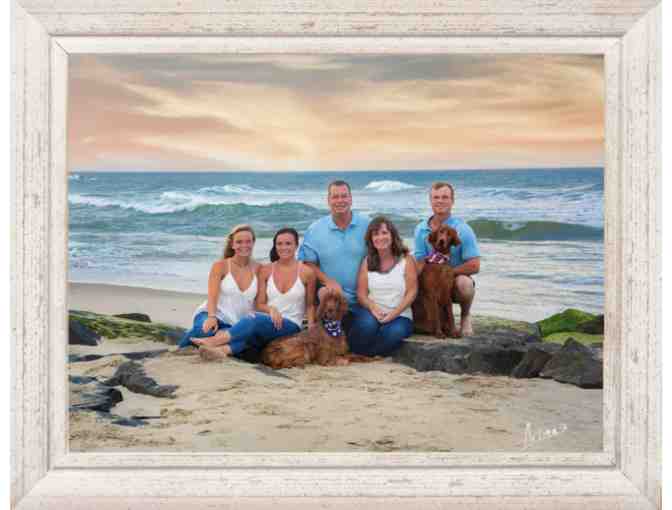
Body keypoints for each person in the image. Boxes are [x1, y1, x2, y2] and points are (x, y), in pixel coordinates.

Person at [197, 227, 317, 360]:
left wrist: (311, 329)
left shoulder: (307, 272)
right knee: (250, 334)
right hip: (267, 321)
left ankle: (214, 341)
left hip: (291, 323)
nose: (284, 247)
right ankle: (222, 350)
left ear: (296, 245)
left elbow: (310, 305)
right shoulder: (266, 270)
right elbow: (259, 304)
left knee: (253, 319)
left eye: (288, 244)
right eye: (279, 244)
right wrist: (271, 309)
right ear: (275, 246)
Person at [297, 180, 370, 333]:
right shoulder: (315, 229)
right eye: (335, 197)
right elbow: (307, 263)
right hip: (330, 300)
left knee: (367, 327)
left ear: (351, 199)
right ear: (328, 200)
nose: (340, 200)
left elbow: (382, 254)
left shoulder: (367, 225)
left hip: (362, 300)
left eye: (344, 196)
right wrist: (327, 281)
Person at [413, 182, 480, 336]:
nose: (440, 201)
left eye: (445, 197)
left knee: (465, 284)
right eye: (436, 197)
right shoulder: (420, 229)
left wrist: (447, 273)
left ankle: (465, 316)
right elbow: (420, 261)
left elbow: (475, 265)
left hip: (454, 281)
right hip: (431, 281)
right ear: (430, 201)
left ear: (452, 201)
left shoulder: (463, 229)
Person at [178, 224, 260, 350]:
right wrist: (212, 317)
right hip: (212, 313)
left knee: (246, 342)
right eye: (239, 242)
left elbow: (260, 301)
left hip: (236, 323)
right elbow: (212, 296)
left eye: (248, 241)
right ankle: (179, 350)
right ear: (232, 245)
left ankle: (211, 342)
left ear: (253, 243)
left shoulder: (259, 269)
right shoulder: (220, 266)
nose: (244, 245)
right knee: (205, 330)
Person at [350, 216, 418, 356]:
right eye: (375, 234)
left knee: (394, 332)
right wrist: (373, 308)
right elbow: (361, 294)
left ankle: (365, 354)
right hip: (372, 311)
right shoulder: (367, 261)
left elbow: (412, 292)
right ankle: (359, 351)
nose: (380, 237)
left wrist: (393, 314)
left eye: (384, 233)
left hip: (400, 314)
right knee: (366, 326)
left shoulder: (407, 259)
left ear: (392, 235)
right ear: (371, 239)